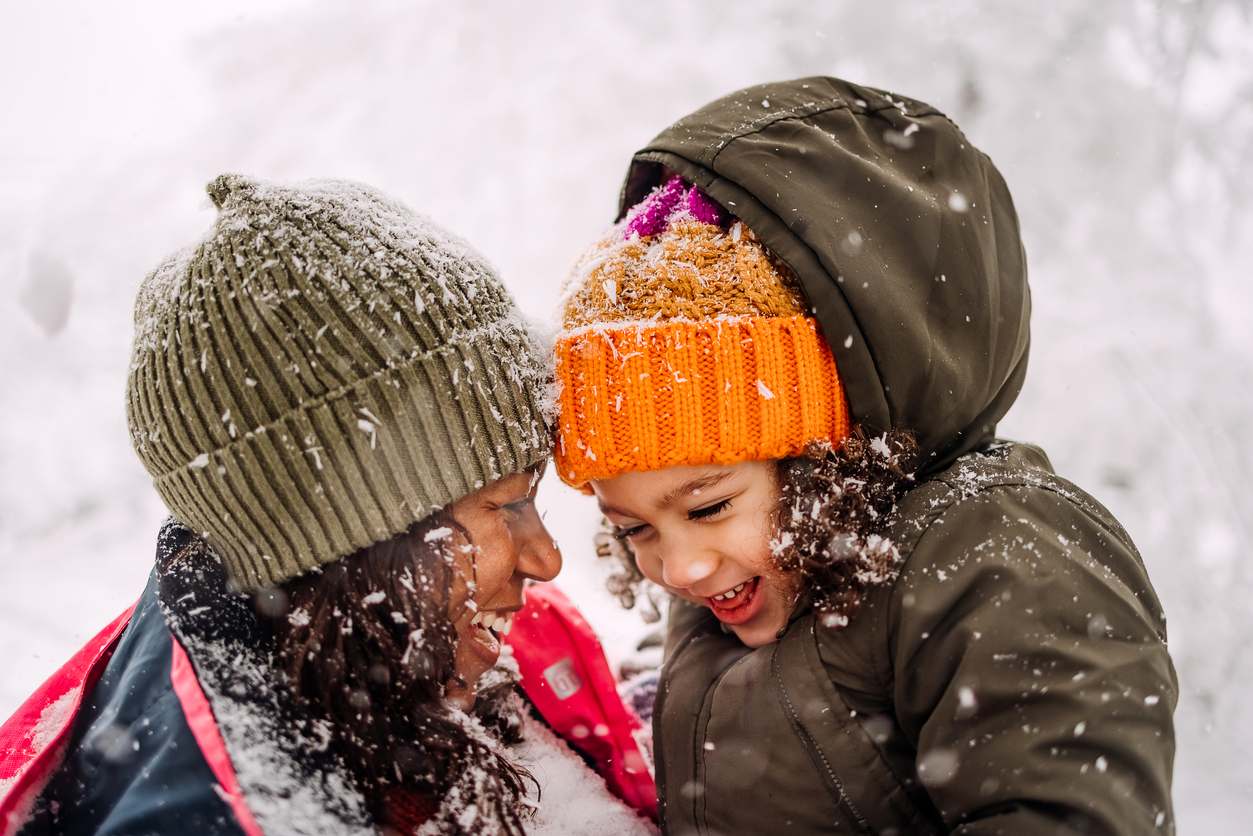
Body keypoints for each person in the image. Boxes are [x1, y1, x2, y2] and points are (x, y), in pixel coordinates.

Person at [551, 77, 1177, 835]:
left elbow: (1063, 813)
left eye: (706, 505)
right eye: (634, 530)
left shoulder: (995, 554)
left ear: (824, 455)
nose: (678, 569)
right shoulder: (737, 589)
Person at [0, 175, 656, 836]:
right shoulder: (217, 819)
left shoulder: (382, 660)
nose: (546, 559)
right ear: (345, 541)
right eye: (504, 508)